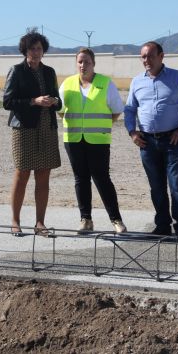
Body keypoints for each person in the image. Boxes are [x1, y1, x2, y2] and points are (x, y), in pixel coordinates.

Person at [124, 41, 178, 240]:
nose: (146, 60)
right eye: (143, 56)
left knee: (177, 185)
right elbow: (130, 109)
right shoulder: (136, 82)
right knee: (156, 186)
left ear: (161, 56)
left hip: (172, 141)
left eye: (150, 56)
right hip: (147, 143)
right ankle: (162, 225)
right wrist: (132, 132)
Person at [59, 48, 127, 234]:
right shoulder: (68, 83)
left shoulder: (105, 83)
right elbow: (60, 108)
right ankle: (86, 219)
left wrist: (101, 125)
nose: (83, 65)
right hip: (73, 139)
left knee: (102, 178)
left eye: (87, 61)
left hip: (98, 140)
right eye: (80, 62)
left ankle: (116, 220)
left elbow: (116, 110)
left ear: (94, 63)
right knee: (80, 179)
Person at [3, 30, 62, 237]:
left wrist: (54, 101)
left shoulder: (49, 72)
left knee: (44, 176)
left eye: (39, 49)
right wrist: (33, 101)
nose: (36, 52)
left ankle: (40, 223)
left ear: (43, 51)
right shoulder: (16, 71)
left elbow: (58, 100)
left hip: (46, 127)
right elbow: (7, 102)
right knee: (22, 174)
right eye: (32, 49)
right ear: (25, 50)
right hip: (24, 129)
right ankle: (15, 221)